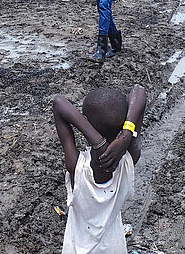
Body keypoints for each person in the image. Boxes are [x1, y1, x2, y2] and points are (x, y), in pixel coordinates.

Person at [53, 85, 146, 253]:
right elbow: (139, 91)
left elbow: (59, 103)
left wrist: (98, 141)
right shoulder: (129, 159)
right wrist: (126, 133)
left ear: (85, 123)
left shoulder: (77, 167)